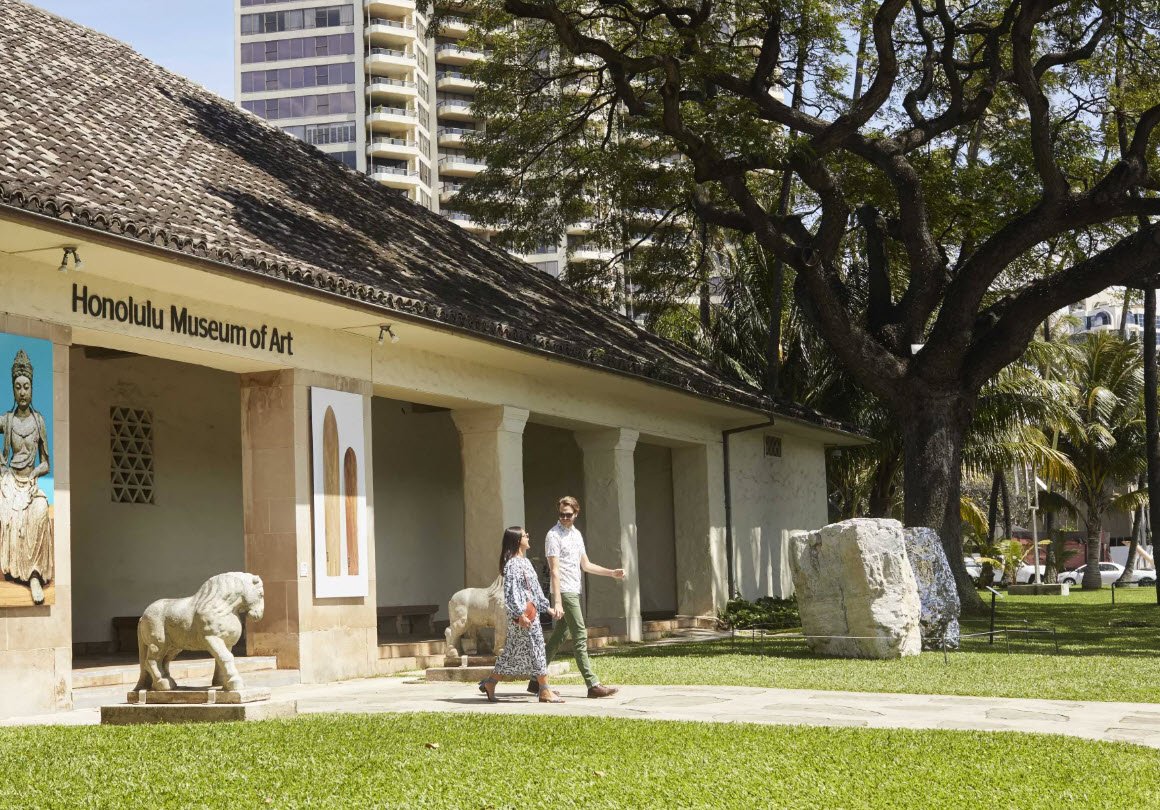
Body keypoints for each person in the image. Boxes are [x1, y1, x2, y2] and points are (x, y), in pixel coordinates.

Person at [529, 496, 623, 699]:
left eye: (568, 515)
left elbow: (586, 565)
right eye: (561, 514)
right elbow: (554, 570)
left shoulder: (577, 534)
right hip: (564, 592)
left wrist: (611, 573)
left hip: (574, 589)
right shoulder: (553, 535)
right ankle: (592, 684)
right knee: (580, 634)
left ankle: (536, 679)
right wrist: (557, 601)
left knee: (559, 636)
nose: (564, 518)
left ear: (576, 514)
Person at [477, 526, 564, 703]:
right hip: (523, 617)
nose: (528, 537)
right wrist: (519, 615)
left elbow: (534, 590)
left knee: (512, 651)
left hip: (528, 614)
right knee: (537, 647)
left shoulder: (526, 562)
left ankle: (491, 683)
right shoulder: (512, 565)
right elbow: (511, 592)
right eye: (525, 535)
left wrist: (547, 608)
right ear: (518, 540)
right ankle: (544, 690)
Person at [0, 349, 53, 605]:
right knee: (7, 514)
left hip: (30, 483)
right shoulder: (7, 420)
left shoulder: (39, 421)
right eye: (18, 387)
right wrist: (2, 466)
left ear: (32, 388)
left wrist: (34, 473)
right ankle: (13, 569)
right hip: (10, 483)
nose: (22, 392)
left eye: (26, 387)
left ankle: (34, 575)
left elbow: (46, 463)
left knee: (41, 511)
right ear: (13, 389)